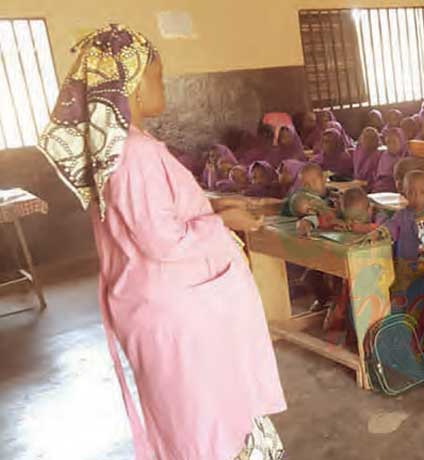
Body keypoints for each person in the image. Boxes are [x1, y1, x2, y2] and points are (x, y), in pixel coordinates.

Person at [37, 24, 285, 460]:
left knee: (197, 423)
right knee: (208, 430)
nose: (162, 83)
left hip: (162, 312)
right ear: (132, 83)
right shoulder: (135, 154)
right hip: (177, 321)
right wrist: (226, 220)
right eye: (157, 74)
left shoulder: (124, 149)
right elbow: (162, 241)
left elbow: (154, 214)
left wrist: (213, 205)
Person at [370, 127, 409, 193]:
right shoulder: (384, 155)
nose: (391, 145)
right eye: (388, 142)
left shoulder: (407, 157)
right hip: (380, 188)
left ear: (401, 141)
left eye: (394, 142)